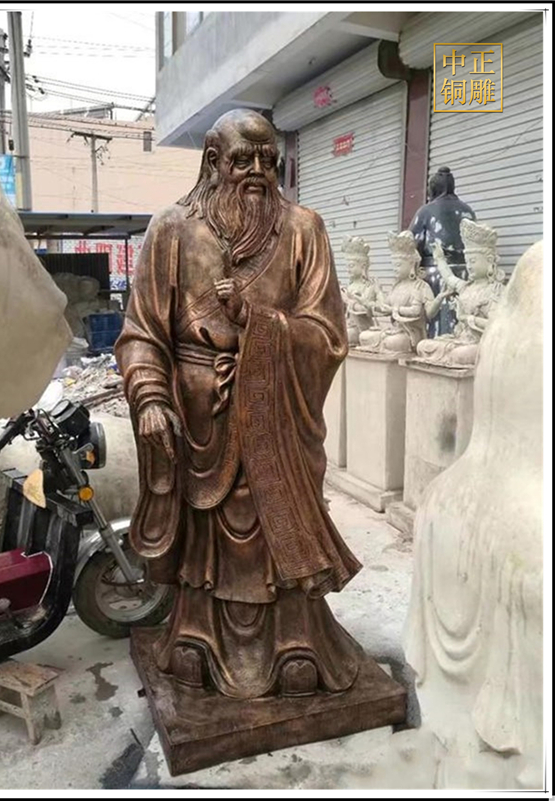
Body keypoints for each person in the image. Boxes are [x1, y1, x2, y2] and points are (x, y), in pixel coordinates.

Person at [115, 109, 363, 699]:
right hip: (199, 418)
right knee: (206, 537)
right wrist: (150, 397)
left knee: (281, 531)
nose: (256, 171)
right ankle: (197, 635)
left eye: (268, 160)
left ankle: (296, 642)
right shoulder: (171, 230)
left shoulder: (304, 229)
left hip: (278, 413)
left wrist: (257, 320)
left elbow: (328, 334)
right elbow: (141, 333)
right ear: (211, 160)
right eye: (241, 159)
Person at [416, 219, 505, 367]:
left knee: (458, 355)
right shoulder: (466, 287)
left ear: (489, 260)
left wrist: (466, 318)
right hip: (459, 339)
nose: (469, 266)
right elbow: (449, 277)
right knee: (423, 346)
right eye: (467, 261)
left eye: (473, 261)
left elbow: (495, 324)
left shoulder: (495, 290)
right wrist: (439, 259)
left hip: (479, 343)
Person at [358, 230, 452, 355]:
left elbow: (427, 313)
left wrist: (439, 298)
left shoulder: (421, 286)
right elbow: (384, 308)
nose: (395, 269)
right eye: (393, 265)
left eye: (398, 265)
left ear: (411, 264)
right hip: (395, 330)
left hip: (410, 333)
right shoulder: (396, 286)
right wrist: (374, 298)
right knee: (365, 336)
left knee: (391, 342)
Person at [409, 166, 476, 337]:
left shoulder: (425, 211)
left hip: (436, 273)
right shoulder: (468, 211)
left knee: (438, 324)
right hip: (467, 273)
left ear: (433, 189)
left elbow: (411, 244)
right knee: (462, 322)